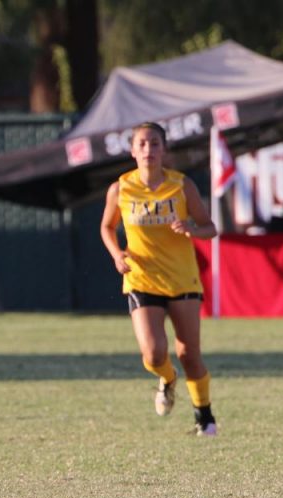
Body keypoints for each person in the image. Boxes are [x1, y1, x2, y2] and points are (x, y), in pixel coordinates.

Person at [99, 121, 220, 436]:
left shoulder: (181, 186)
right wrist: (116, 254)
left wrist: (193, 228)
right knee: (153, 353)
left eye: (155, 143)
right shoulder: (121, 189)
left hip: (182, 279)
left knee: (188, 353)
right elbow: (107, 227)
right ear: (132, 151)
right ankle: (167, 379)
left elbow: (211, 228)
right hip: (142, 277)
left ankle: (204, 418)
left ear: (164, 150)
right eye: (142, 144)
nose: (148, 150)